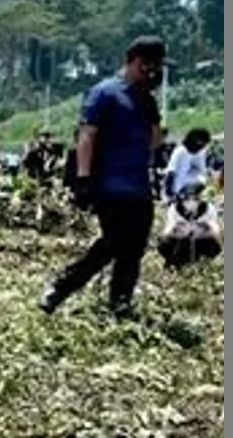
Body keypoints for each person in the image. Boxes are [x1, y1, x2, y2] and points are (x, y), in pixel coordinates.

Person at [40, 35, 166, 318]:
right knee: (114, 242)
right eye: (149, 66)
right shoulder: (105, 92)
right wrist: (83, 180)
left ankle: (120, 304)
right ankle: (59, 288)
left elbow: (155, 142)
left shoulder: (146, 100)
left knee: (133, 249)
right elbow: (87, 135)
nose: (153, 72)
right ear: (135, 61)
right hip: (109, 185)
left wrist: (152, 109)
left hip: (139, 187)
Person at [157, 183, 221, 269]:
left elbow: (216, 232)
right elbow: (167, 231)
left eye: (195, 199)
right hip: (180, 240)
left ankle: (206, 263)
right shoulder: (175, 209)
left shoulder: (208, 209)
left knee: (214, 246)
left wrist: (201, 231)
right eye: (187, 199)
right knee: (165, 245)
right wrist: (180, 232)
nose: (191, 202)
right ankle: (173, 264)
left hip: (202, 240)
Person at [163, 128, 212, 200]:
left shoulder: (200, 153)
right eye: (201, 144)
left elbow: (202, 171)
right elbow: (171, 172)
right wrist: (169, 192)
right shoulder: (180, 151)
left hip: (193, 186)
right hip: (178, 188)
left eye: (204, 145)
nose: (202, 147)